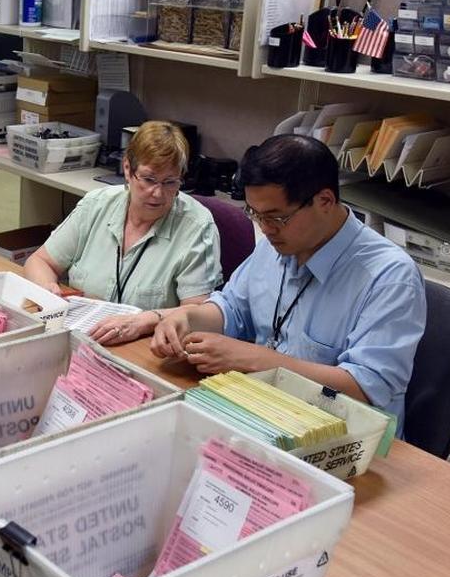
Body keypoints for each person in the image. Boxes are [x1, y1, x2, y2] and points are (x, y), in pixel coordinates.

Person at [152, 134, 426, 435]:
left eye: (276, 218)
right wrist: (188, 318)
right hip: (263, 413)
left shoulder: (389, 275)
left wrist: (256, 360)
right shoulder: (277, 242)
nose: (265, 229)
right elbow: (233, 308)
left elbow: (366, 388)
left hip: (342, 439)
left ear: (325, 201)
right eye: (255, 214)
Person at [24, 121, 223, 346]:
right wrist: (48, 289)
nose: (157, 193)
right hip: (83, 338)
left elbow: (198, 313)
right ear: (128, 169)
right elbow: (40, 261)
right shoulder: (97, 205)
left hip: (146, 347)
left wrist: (145, 321)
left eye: (170, 182)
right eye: (148, 179)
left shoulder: (196, 227)